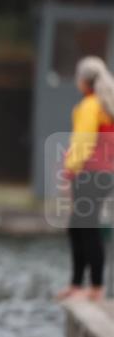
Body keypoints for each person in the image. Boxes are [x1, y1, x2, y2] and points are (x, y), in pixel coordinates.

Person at [57, 56, 114, 302]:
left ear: (84, 80)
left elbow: (82, 141)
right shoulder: (107, 105)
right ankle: (81, 284)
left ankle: (93, 286)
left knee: (84, 228)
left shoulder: (91, 106)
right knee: (79, 227)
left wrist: (70, 170)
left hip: (90, 174)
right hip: (105, 174)